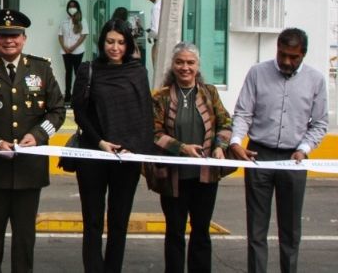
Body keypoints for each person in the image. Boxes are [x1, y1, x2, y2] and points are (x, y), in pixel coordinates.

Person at [0, 9, 65, 273]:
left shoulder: (41, 69)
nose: (9, 40)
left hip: (30, 170)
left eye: (15, 35)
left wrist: (39, 135)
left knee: (24, 239)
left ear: (24, 38)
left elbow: (57, 111)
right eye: (3, 35)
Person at [228, 28, 328, 273]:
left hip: (294, 160)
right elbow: (243, 112)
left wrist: (303, 150)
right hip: (258, 155)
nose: (285, 61)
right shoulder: (257, 73)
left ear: (303, 54)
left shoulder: (316, 80)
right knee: (257, 228)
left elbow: (320, 123)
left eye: (292, 57)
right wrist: (236, 142)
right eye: (282, 54)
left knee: (291, 229)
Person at [72, 19, 154, 273]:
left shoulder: (138, 72)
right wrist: (100, 142)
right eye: (110, 41)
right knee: (93, 221)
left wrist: (133, 148)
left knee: (119, 222)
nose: (115, 47)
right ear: (102, 42)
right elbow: (79, 112)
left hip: (126, 158)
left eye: (120, 42)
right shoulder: (88, 70)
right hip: (93, 154)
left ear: (128, 45)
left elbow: (144, 114)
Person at [147, 42, 233, 273]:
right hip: (173, 178)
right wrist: (181, 147)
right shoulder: (161, 97)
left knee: (201, 231)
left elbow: (226, 123)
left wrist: (219, 147)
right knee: (174, 232)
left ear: (197, 66)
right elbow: (154, 134)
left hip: (205, 178)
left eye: (190, 62)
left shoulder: (210, 93)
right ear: (173, 66)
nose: (185, 67)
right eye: (180, 62)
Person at [58, 0, 88, 104]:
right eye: (70, 6)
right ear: (67, 9)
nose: (72, 8)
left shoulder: (82, 20)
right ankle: (67, 95)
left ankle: (78, 95)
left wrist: (74, 47)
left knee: (77, 73)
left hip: (78, 51)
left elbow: (84, 35)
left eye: (74, 6)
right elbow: (60, 36)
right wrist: (65, 47)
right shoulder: (64, 21)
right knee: (68, 72)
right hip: (65, 51)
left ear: (77, 8)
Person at [145, 0, 162, 68]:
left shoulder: (156, 7)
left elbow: (155, 29)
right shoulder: (166, 3)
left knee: (157, 68)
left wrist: (149, 36)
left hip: (159, 42)